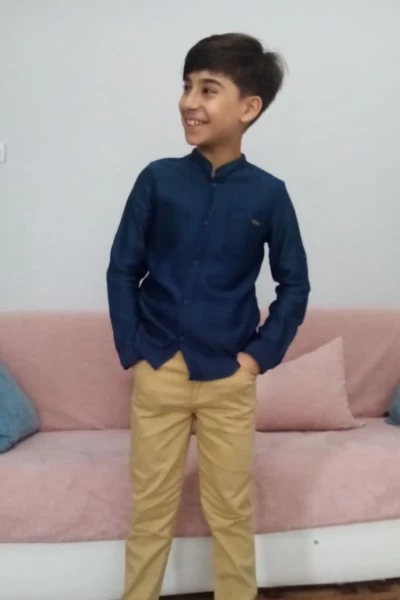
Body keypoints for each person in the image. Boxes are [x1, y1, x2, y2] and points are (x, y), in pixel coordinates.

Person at [107, 32, 310, 600]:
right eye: (186, 86)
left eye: (207, 89)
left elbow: (294, 284)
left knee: (231, 512)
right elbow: (122, 269)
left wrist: (257, 358)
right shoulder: (157, 179)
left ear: (248, 107)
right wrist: (135, 350)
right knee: (150, 511)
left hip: (228, 378)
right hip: (159, 370)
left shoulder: (269, 195)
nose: (188, 102)